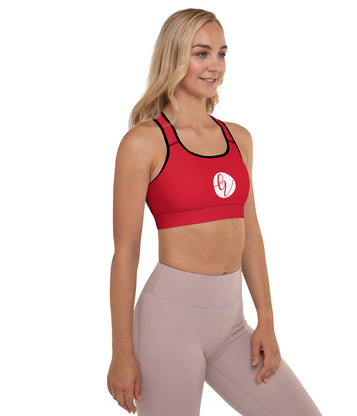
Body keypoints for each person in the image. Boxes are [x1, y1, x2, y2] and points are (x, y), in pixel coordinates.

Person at [107, 8, 322, 416]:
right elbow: (126, 253)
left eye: (222, 54)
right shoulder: (143, 143)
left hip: (232, 323)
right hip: (169, 323)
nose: (215, 66)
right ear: (174, 57)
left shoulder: (238, 138)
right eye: (201, 53)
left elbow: (251, 235)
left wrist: (266, 319)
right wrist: (121, 353)